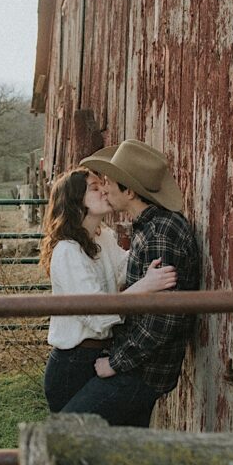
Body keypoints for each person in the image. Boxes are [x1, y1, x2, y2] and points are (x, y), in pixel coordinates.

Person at [61, 140, 200, 427]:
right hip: (136, 366)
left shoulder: (161, 232)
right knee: (121, 452)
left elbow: (163, 318)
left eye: (110, 182)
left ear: (130, 190)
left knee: (65, 431)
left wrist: (115, 363)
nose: (105, 188)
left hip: (140, 371)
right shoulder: (145, 229)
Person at [39, 167, 177, 413]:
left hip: (99, 354)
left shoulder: (103, 238)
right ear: (75, 201)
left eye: (102, 185)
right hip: (72, 362)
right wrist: (145, 286)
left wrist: (152, 244)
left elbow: (128, 269)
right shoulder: (67, 251)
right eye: (94, 188)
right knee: (74, 441)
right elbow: (97, 315)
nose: (103, 190)